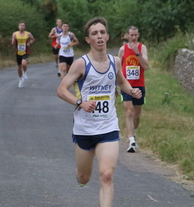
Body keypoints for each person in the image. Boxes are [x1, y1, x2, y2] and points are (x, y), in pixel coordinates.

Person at [57, 17, 142, 207]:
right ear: (88, 40)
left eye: (102, 32)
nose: (99, 36)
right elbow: (61, 90)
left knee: (107, 175)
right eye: (95, 33)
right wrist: (80, 102)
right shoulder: (81, 64)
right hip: (84, 129)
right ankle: (81, 177)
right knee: (84, 178)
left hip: (108, 127)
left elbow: (120, 82)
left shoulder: (115, 61)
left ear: (108, 36)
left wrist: (131, 90)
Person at [118, 26, 149, 153]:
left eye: (136, 35)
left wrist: (137, 53)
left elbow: (146, 66)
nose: (133, 37)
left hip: (139, 84)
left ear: (138, 35)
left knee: (137, 114)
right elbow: (117, 67)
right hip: (126, 85)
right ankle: (131, 140)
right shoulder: (122, 49)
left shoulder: (142, 48)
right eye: (131, 35)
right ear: (127, 35)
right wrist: (116, 83)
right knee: (129, 112)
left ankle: (133, 132)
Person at [11, 21, 35, 88]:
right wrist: (13, 41)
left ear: (25, 27)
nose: (22, 26)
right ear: (18, 26)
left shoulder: (28, 34)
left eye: (23, 25)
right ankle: (21, 79)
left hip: (25, 51)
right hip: (18, 52)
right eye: (20, 25)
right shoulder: (15, 34)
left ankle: (24, 72)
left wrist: (30, 43)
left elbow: (33, 39)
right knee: (19, 67)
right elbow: (13, 43)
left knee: (24, 64)